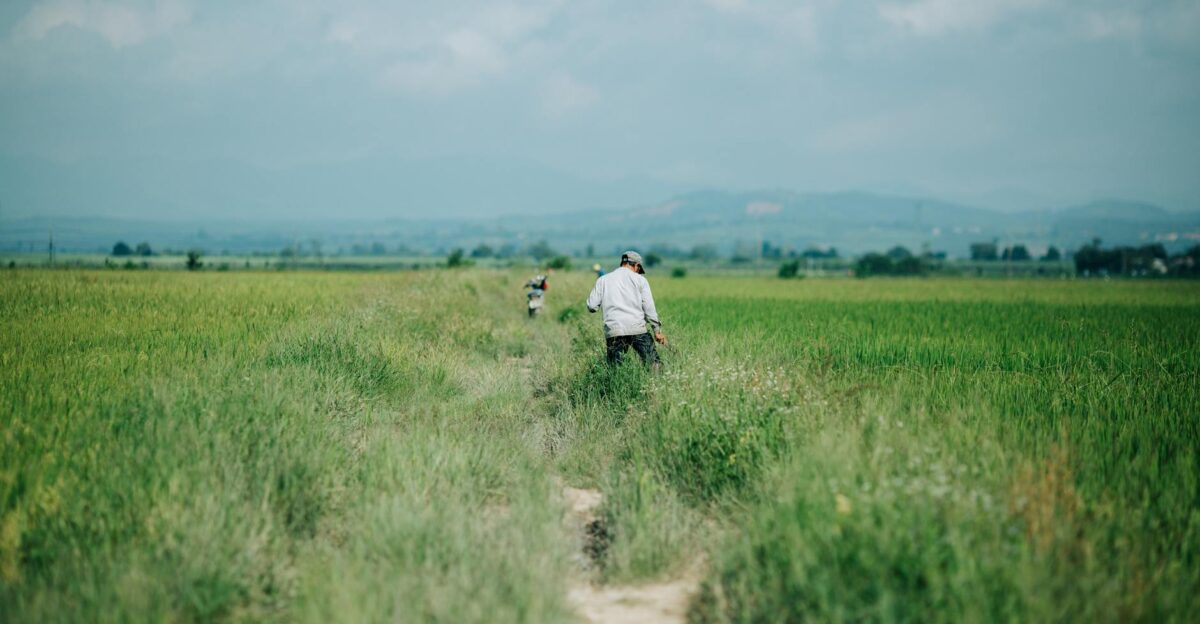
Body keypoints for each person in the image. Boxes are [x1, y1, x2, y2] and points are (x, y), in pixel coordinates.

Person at [586, 251, 667, 367]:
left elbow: (592, 306)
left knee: (615, 369)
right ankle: (656, 384)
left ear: (622, 263)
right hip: (637, 328)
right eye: (638, 270)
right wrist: (657, 331)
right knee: (654, 364)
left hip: (614, 330)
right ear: (636, 265)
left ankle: (615, 385)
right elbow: (649, 308)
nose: (638, 272)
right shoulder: (640, 280)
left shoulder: (602, 280)